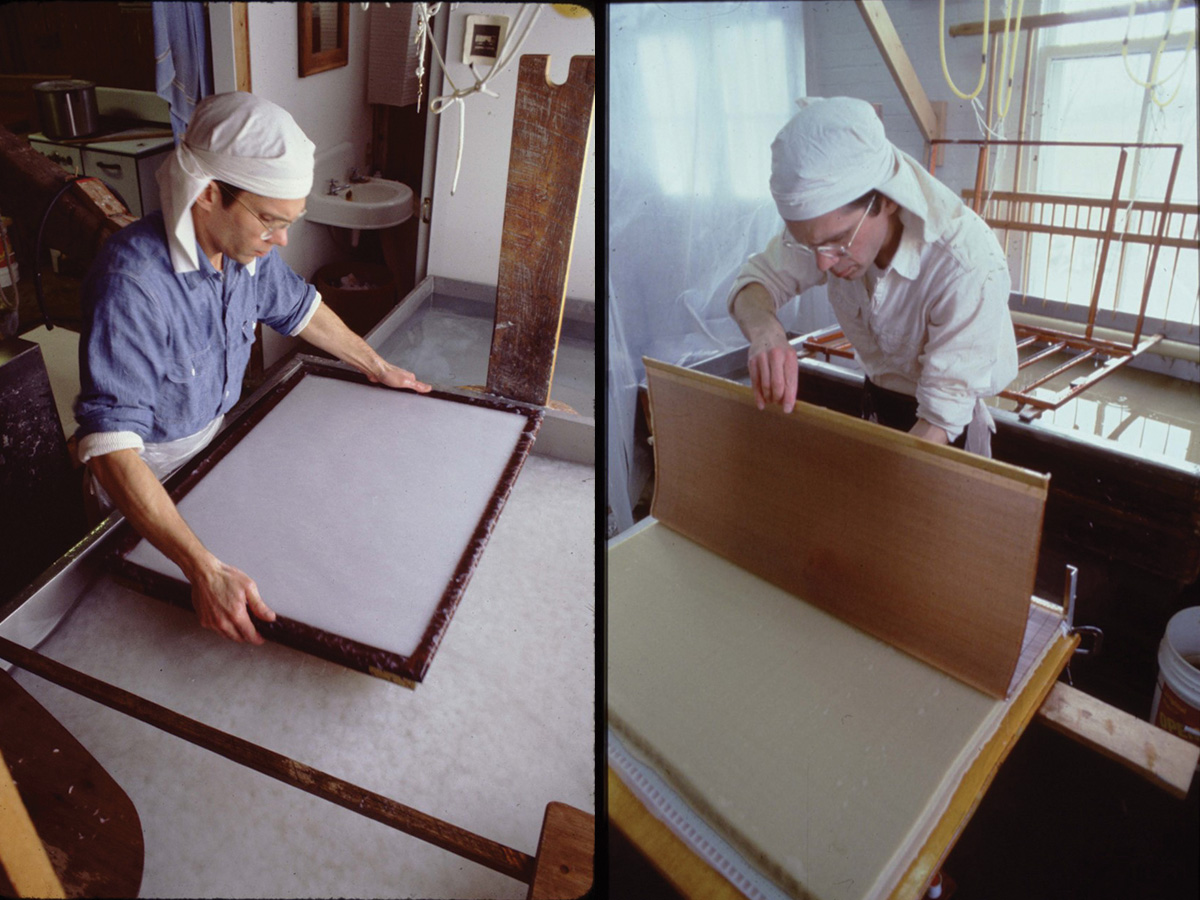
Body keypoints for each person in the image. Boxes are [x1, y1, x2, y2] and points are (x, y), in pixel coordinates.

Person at [74, 92, 431, 645]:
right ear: (209, 195)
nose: (282, 239)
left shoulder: (246, 255)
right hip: (142, 487)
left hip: (211, 460)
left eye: (289, 221)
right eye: (269, 220)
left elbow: (301, 309)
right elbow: (113, 450)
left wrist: (377, 365)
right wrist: (202, 570)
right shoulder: (135, 284)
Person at [728, 96, 1017, 454]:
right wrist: (765, 332)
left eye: (837, 241)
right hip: (879, 391)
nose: (822, 264)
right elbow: (754, 283)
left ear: (888, 199)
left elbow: (940, 419)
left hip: (946, 426)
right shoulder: (825, 234)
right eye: (809, 245)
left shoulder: (965, 263)